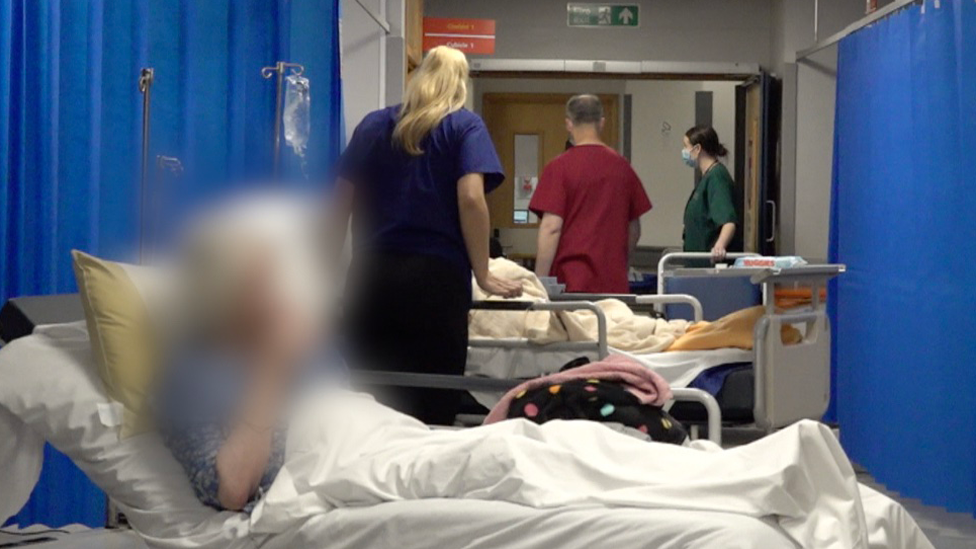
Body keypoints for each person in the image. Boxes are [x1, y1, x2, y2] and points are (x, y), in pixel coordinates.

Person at [332, 46, 522, 425]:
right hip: (436, 282)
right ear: (460, 83)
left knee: (366, 402)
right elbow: (471, 198)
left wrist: (324, 275)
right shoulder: (464, 126)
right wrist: (482, 272)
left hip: (372, 277)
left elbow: (338, 206)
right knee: (430, 406)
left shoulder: (372, 125)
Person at [530, 94, 651, 294]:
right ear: (602, 123)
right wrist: (622, 266)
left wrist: (540, 282)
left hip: (571, 283)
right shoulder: (622, 168)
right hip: (614, 285)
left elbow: (551, 228)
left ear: (569, 124)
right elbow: (634, 230)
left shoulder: (559, 168)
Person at [680, 125, 737, 261]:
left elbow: (728, 221)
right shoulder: (707, 178)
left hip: (709, 266)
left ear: (697, 149)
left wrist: (719, 246)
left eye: (685, 146)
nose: (684, 151)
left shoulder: (717, 177)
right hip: (697, 264)